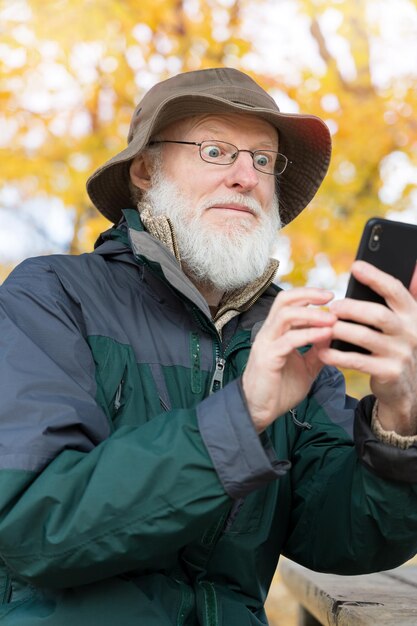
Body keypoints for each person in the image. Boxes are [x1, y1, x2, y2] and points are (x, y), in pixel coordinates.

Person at [0, 67, 416, 626]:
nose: (245, 176)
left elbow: (344, 539)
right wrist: (244, 414)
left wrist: (397, 424)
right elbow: (33, 527)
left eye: (263, 160)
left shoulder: (291, 333)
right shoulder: (51, 296)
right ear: (146, 170)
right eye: (217, 150)